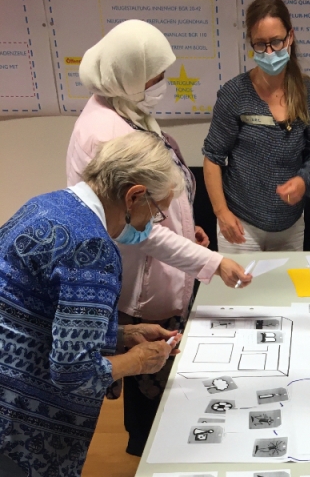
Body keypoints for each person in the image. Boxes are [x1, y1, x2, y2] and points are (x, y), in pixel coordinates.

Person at [67, 19, 252, 456]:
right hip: (140, 284)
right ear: (128, 74)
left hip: (160, 271)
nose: (162, 85)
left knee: (164, 382)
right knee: (152, 399)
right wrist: (212, 262)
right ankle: (155, 456)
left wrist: (185, 228)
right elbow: (139, 229)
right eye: (155, 77)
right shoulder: (105, 133)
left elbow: (152, 204)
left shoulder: (124, 107)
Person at [0, 132, 184, 477]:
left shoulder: (45, 205)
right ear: (134, 196)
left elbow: (44, 316)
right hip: (19, 425)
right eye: (156, 212)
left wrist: (122, 334)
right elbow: (74, 372)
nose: (151, 224)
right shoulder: (92, 248)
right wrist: (139, 361)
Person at [202, 0, 310, 253]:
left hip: (290, 225)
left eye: (276, 42)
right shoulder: (235, 93)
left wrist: (304, 180)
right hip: (241, 224)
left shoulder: (307, 93)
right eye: (260, 44)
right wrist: (221, 212)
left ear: (290, 37)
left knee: (288, 282)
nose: (269, 52)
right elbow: (213, 156)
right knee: (242, 282)